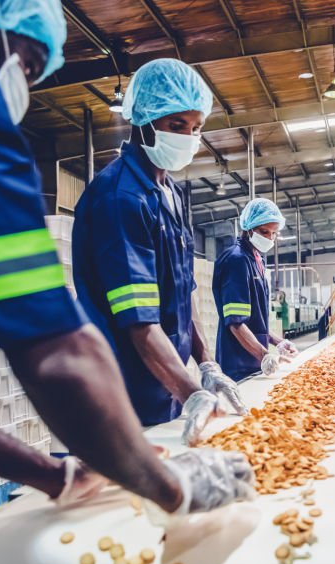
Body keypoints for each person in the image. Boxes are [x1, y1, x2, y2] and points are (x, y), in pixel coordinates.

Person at [0, 0, 253, 524]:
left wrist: (56, 477)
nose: (23, 91)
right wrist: (169, 485)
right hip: (128, 389)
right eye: (29, 66)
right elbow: (57, 351)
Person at [71, 58, 246, 440]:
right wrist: (192, 395)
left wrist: (207, 365)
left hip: (167, 381)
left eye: (196, 127)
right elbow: (138, 320)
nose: (188, 136)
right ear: (143, 120)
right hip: (124, 393)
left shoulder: (170, 193)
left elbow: (185, 295)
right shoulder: (120, 198)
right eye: (176, 125)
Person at [213, 199, 299, 381]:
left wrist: (278, 342)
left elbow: (255, 321)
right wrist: (264, 356)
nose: (269, 238)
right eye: (264, 232)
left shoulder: (257, 259)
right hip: (238, 364)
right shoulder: (236, 261)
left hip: (255, 362)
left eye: (274, 233)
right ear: (249, 228)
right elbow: (236, 323)